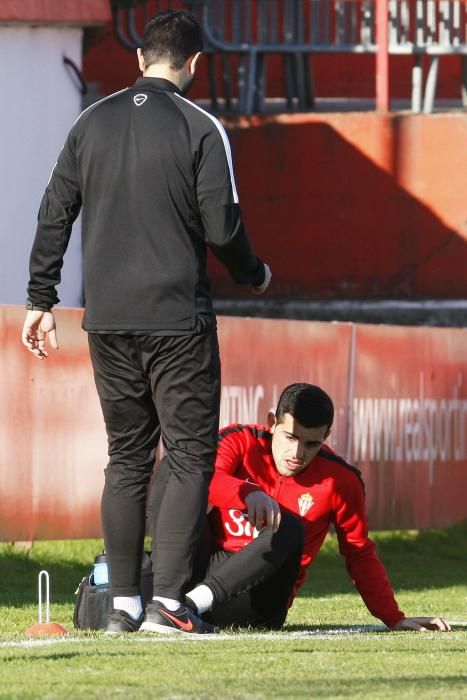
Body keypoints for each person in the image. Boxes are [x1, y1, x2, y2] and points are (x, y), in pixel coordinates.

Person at [21, 9, 271, 635]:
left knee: (127, 459)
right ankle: (169, 605)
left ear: (138, 59)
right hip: (177, 319)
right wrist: (254, 272)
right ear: (195, 64)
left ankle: (123, 604)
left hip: (107, 321)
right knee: (188, 456)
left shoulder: (90, 121)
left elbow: (55, 211)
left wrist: (39, 299)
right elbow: (223, 227)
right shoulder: (202, 127)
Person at [168, 383, 450, 632]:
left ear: (327, 436)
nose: (297, 454)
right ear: (272, 422)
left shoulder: (342, 480)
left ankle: (188, 605)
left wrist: (393, 617)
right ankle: (149, 601)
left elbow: (359, 553)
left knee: (287, 526)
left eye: (311, 444)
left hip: (257, 601)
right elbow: (202, 479)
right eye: (290, 438)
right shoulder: (238, 440)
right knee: (175, 473)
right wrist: (247, 492)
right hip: (202, 570)